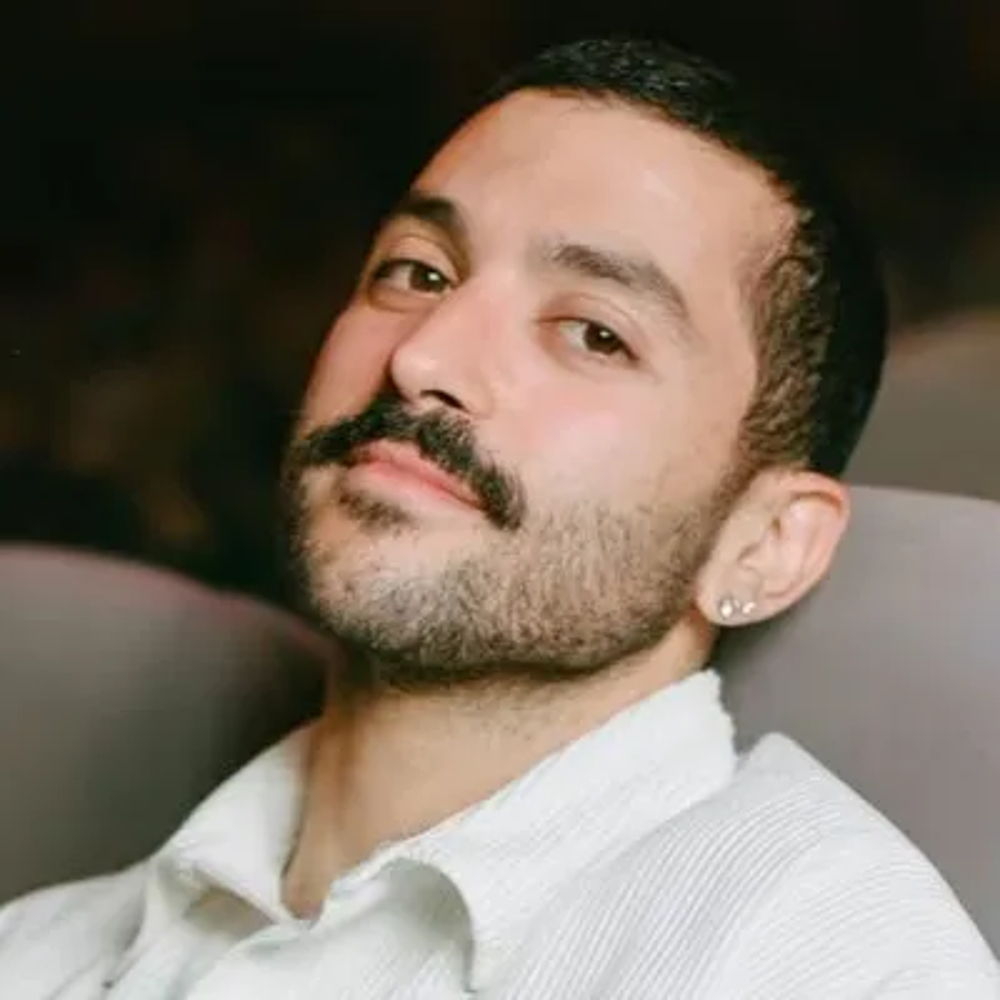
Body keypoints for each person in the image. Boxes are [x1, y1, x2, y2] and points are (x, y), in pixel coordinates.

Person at [2, 36, 997, 999]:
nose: (423, 357)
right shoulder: (40, 948)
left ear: (765, 546)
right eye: (417, 272)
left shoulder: (823, 961)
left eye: (594, 333)